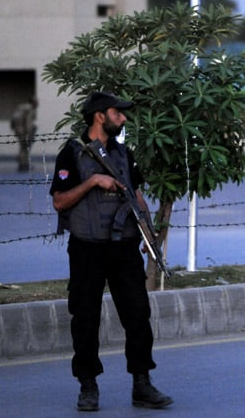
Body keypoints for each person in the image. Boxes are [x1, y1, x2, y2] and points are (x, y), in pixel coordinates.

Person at [49, 91, 173, 412]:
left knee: (137, 314)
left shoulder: (123, 154)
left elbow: (137, 195)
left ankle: (142, 384)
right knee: (85, 318)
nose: (124, 118)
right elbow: (60, 201)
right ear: (100, 115)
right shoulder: (72, 154)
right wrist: (92, 182)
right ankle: (88, 386)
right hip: (87, 249)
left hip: (124, 248)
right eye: (119, 113)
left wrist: (149, 236)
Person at [10, 97, 38, 171]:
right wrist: (29, 133)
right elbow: (28, 122)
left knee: (22, 147)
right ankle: (24, 164)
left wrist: (15, 129)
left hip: (18, 130)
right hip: (24, 131)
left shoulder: (21, 107)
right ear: (33, 102)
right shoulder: (30, 109)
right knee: (25, 148)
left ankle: (21, 162)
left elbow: (13, 119)